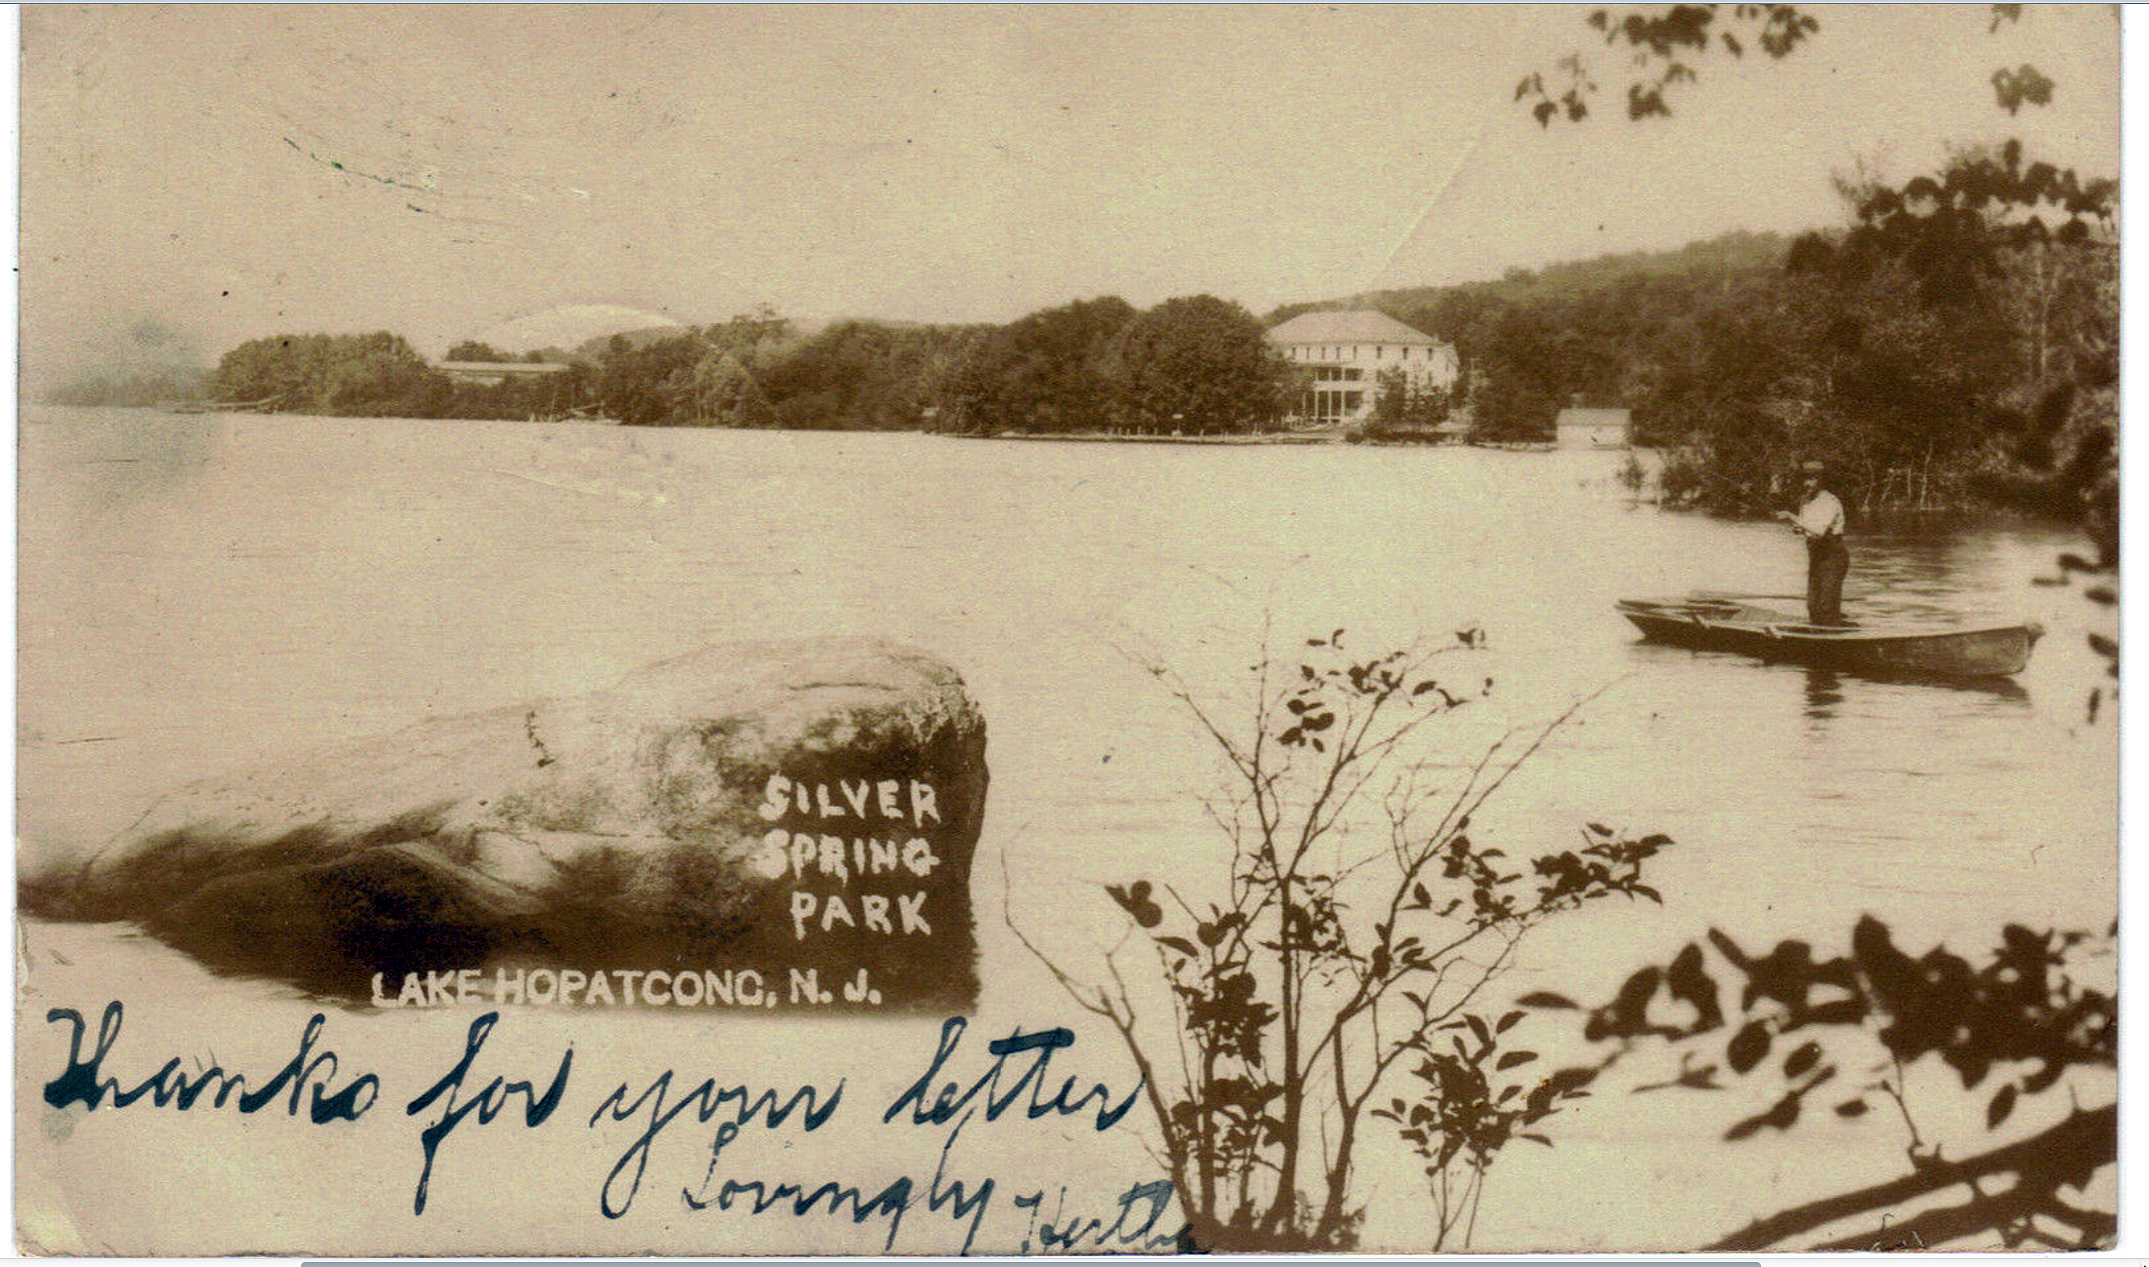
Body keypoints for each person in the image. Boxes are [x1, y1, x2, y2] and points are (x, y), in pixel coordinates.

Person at [1776, 460, 1849, 625]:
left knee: (1826, 605)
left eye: (1811, 479)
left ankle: (1835, 636)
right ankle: (1819, 636)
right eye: (1805, 479)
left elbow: (1819, 531)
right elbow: (1807, 527)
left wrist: (1791, 516)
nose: (1806, 483)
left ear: (1821, 480)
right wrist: (1798, 528)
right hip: (1816, 555)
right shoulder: (1805, 500)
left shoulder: (1830, 501)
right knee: (1812, 605)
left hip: (1833, 557)